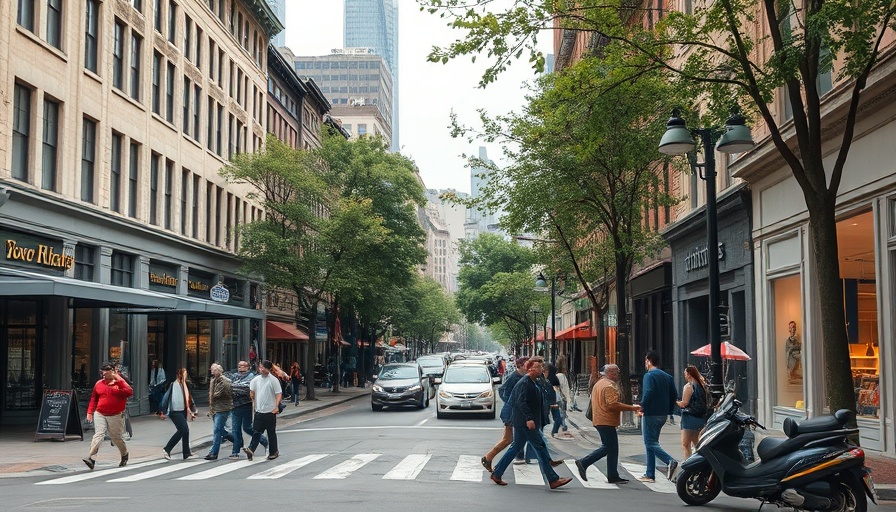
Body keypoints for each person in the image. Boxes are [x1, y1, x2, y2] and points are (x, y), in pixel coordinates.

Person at [489, 357, 572, 490]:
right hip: (525, 422)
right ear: (530, 369)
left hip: (524, 422)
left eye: (541, 367)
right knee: (539, 446)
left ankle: (497, 473)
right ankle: (552, 478)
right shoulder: (524, 382)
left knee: (516, 447)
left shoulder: (532, 382)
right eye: (538, 368)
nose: (541, 370)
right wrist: (529, 418)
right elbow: (521, 401)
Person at [574, 364, 641, 483]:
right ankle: (584, 462)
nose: (618, 375)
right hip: (606, 420)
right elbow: (612, 404)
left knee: (613, 448)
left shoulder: (599, 383)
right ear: (611, 373)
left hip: (600, 419)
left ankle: (613, 475)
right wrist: (633, 408)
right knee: (608, 447)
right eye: (616, 373)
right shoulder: (609, 386)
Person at [83, 362, 133, 470]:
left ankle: (124, 455)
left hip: (116, 415)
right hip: (100, 413)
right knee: (99, 435)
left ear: (113, 372)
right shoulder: (99, 384)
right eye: (102, 372)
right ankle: (91, 458)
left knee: (116, 438)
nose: (104, 374)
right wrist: (89, 412)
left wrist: (118, 382)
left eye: (106, 372)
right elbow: (94, 398)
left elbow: (129, 392)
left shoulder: (120, 382)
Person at [481, 356, 528, 472]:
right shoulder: (515, 377)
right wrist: (511, 403)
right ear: (521, 366)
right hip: (512, 413)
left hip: (513, 412)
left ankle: (489, 458)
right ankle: (489, 458)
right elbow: (502, 391)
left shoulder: (521, 377)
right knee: (510, 440)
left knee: (509, 439)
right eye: (527, 366)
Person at [639, 350, 679, 482]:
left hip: (651, 413)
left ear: (649, 361)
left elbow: (648, 392)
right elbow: (674, 394)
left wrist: (642, 406)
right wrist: (669, 411)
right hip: (662, 414)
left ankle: (670, 461)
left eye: (646, 361)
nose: (645, 363)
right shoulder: (668, 377)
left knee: (650, 442)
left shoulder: (649, 376)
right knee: (651, 443)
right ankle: (650, 474)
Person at [243, 360, 282, 461]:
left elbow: (278, 393)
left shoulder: (273, 380)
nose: (260, 369)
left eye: (263, 367)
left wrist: (276, 406)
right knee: (256, 432)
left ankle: (274, 451)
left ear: (268, 369)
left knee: (271, 432)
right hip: (259, 411)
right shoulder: (255, 380)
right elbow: (252, 393)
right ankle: (251, 450)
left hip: (270, 410)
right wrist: (252, 397)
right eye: (260, 367)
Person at [160, 367, 198, 460]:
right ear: (179, 375)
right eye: (184, 374)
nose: (186, 376)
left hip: (182, 410)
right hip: (175, 411)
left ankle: (186, 453)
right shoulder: (174, 385)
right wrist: (162, 411)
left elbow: (188, 398)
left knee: (186, 430)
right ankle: (167, 449)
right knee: (182, 429)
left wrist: (193, 409)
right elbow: (165, 398)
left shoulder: (184, 385)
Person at [676, 365, 710, 459]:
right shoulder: (702, 385)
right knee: (697, 444)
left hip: (689, 418)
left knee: (685, 444)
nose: (685, 376)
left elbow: (684, 403)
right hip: (700, 417)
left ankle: (688, 465)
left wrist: (675, 402)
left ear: (689, 374)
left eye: (685, 374)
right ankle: (702, 462)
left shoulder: (689, 386)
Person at [205, 363, 233, 460]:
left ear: (218, 371)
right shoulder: (214, 380)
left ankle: (214, 453)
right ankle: (236, 440)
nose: (211, 371)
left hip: (222, 409)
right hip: (215, 409)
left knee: (217, 431)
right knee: (220, 430)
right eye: (211, 369)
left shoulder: (224, 381)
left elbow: (215, 395)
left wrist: (211, 387)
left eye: (213, 369)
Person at [548, 363, 573, 440]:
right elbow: (564, 388)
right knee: (560, 414)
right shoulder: (560, 376)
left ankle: (560, 427)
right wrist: (568, 399)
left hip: (554, 400)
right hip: (558, 399)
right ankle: (561, 426)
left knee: (558, 415)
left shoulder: (548, 378)